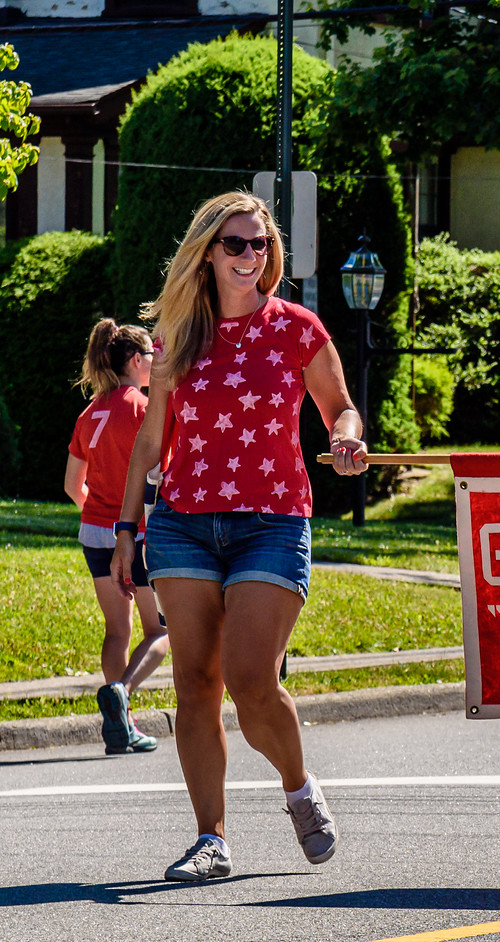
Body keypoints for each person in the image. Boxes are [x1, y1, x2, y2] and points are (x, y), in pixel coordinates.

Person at [109, 191, 369, 882]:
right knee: (196, 682)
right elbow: (149, 444)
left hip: (272, 523)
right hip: (184, 524)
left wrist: (346, 441)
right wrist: (126, 528)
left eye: (259, 244)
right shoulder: (176, 337)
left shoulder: (297, 329)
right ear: (207, 253)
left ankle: (298, 786)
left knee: (253, 678)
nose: (249, 256)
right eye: (235, 244)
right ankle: (210, 838)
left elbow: (341, 409)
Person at [65, 319, 170, 754]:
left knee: (117, 631)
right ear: (134, 360)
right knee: (161, 633)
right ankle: (122, 692)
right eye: (150, 356)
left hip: (94, 532)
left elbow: (74, 486)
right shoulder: (142, 407)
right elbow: (161, 471)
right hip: (138, 532)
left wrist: (102, 511)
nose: (153, 363)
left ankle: (119, 726)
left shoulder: (89, 413)